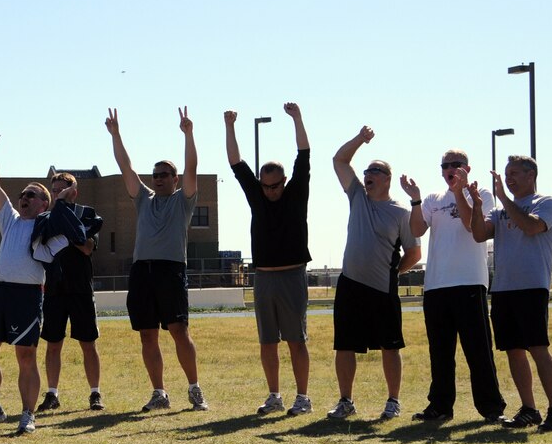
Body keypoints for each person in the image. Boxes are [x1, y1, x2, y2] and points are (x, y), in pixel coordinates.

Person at [0, 125, 86, 436]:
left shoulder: (52, 229)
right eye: (22, 194)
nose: (24, 197)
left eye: (31, 194)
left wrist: (63, 201)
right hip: (0, 293)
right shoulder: (9, 219)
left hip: (27, 295)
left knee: (25, 357)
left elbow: (68, 243)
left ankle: (27, 414)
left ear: (43, 204)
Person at [105, 107, 207, 412]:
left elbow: (192, 167)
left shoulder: (184, 200)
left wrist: (188, 134)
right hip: (142, 272)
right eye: (156, 175)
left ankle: (194, 388)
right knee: (147, 334)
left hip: (171, 271)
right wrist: (116, 134)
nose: (159, 179)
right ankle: (159, 393)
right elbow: (126, 167)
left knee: (178, 331)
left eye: (165, 174)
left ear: (175, 179)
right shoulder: (144, 198)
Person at [401, 150, 506, 422]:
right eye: (445, 166)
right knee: (440, 352)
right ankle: (440, 407)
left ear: (467, 168)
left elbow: (474, 227)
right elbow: (416, 231)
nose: (450, 169)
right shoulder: (433, 199)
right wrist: (414, 200)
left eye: (455, 165)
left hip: (469, 283)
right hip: (436, 286)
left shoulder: (480, 193)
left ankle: (491, 408)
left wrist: (461, 192)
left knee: (478, 350)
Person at [224, 103, 312, 416]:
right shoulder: (256, 194)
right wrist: (230, 126)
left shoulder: (296, 192)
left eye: (275, 185)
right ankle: (274, 396)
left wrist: (297, 119)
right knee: (267, 342)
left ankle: (302, 398)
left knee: (296, 341)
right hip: (263, 277)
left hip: (292, 275)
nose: (270, 191)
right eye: (266, 185)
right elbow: (236, 163)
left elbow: (304, 155)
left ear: (284, 181)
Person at [328, 126, 421, 419]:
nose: (368, 173)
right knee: (344, 345)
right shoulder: (357, 196)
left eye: (375, 170)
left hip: (382, 290)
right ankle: (346, 401)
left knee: (389, 346)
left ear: (387, 179)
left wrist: (395, 273)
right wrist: (360, 140)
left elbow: (414, 253)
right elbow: (339, 161)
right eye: (367, 170)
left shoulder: (400, 212)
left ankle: (393, 402)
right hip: (350, 285)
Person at [468, 156, 552, 431]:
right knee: (513, 351)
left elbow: (532, 227)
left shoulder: (547, 203)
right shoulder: (500, 211)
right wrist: (476, 206)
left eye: (514, 173)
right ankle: (529, 409)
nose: (508, 178)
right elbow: (478, 234)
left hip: (531, 288)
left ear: (531, 174)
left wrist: (503, 198)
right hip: (503, 290)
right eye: (505, 174)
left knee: (538, 349)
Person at [36, 172, 106, 413]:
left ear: (72, 192)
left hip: (81, 289)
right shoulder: (46, 217)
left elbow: (87, 247)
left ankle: (95, 393)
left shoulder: (87, 214)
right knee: (53, 344)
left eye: (61, 190)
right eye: (53, 190)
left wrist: (66, 226)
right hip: (54, 289)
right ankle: (52, 393)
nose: (56, 194)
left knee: (88, 343)